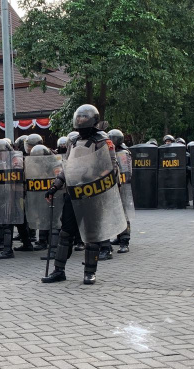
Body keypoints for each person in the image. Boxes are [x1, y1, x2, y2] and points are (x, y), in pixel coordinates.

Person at [42, 105, 121, 285]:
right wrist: (55, 187)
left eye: (85, 118)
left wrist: (94, 178)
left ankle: (89, 272)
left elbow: (112, 168)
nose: (81, 121)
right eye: (79, 118)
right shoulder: (74, 141)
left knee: (92, 235)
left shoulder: (102, 141)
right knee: (65, 233)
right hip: (74, 193)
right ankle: (59, 270)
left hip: (93, 194)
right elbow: (67, 168)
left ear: (93, 120)